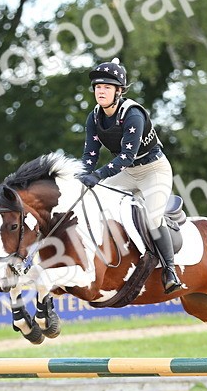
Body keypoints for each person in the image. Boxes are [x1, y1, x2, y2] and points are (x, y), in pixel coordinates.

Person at [77, 58, 183, 294]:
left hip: (154, 171)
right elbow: (90, 154)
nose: (101, 91)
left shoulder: (132, 114)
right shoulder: (94, 117)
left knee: (154, 218)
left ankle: (170, 270)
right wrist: (82, 177)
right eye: (98, 87)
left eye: (107, 87)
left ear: (119, 91)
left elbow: (126, 156)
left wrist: (99, 175)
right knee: (93, 201)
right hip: (127, 174)